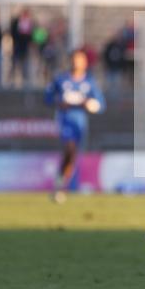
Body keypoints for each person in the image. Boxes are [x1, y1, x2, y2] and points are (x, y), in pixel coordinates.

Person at [44, 49, 105, 203]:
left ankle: (60, 184)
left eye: (80, 59)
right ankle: (61, 186)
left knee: (71, 156)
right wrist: (59, 103)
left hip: (80, 123)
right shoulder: (61, 79)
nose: (76, 62)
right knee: (69, 149)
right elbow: (48, 98)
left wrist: (88, 104)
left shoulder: (89, 82)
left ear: (85, 63)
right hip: (65, 120)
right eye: (74, 59)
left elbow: (100, 105)